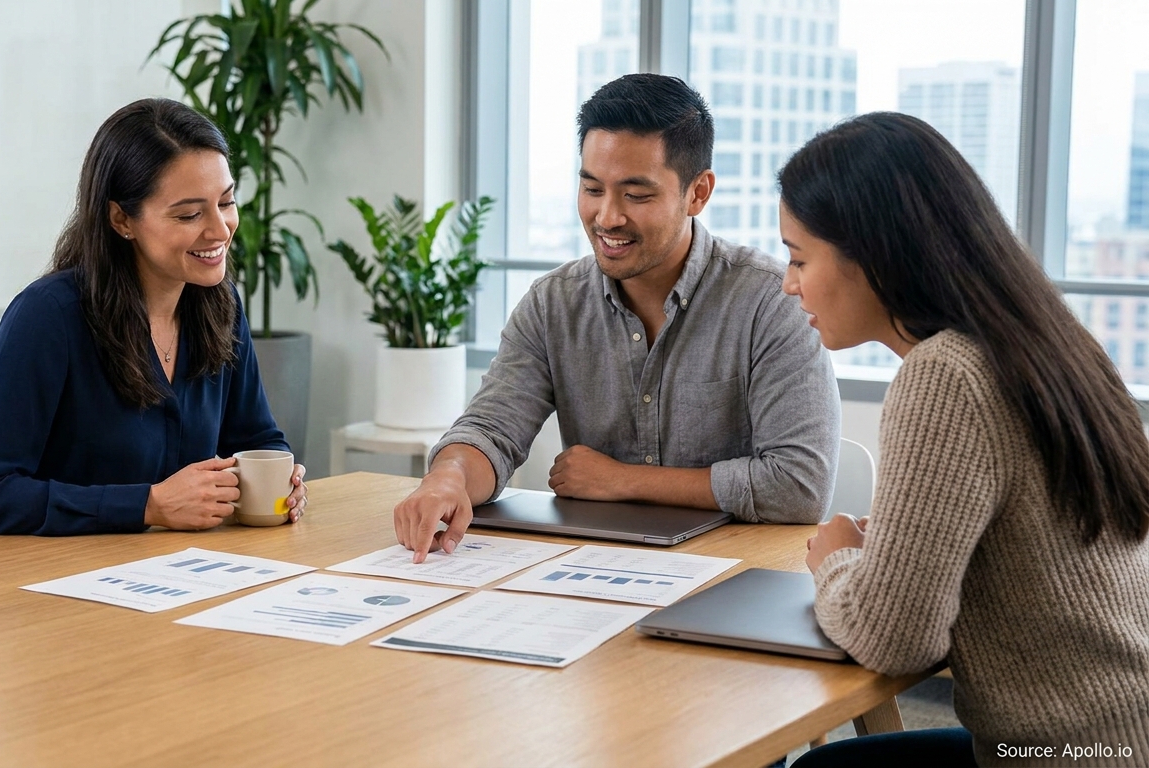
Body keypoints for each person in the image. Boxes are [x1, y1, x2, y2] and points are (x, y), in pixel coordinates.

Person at [782, 113, 1149, 767]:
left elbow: (895, 640)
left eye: (799, 257)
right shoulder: (1046, 338)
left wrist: (834, 560)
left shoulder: (944, 375)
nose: (790, 284)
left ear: (870, 254)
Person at [394, 73, 840, 562]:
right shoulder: (552, 304)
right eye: (591, 188)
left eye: (637, 195)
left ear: (698, 193)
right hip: (594, 570)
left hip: (735, 574)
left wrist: (623, 480)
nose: (607, 217)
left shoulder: (770, 302)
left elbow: (799, 485)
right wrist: (449, 477)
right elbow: (492, 430)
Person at [0, 98, 306, 536]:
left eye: (226, 202)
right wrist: (148, 505)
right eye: (190, 214)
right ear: (122, 219)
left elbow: (256, 442)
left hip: (173, 575)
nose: (220, 229)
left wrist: (282, 484)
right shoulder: (48, 317)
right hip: (54, 585)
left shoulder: (219, 306)